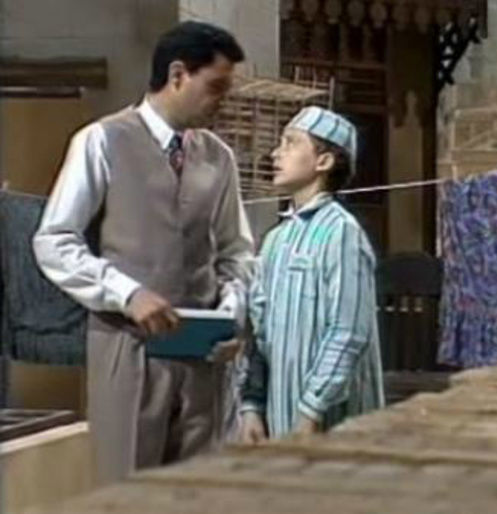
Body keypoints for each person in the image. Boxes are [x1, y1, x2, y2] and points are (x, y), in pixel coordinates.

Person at [33, 21, 254, 483]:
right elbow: (54, 240)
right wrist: (126, 293)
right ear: (178, 75)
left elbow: (236, 252)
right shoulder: (102, 140)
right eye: (215, 87)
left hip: (204, 361)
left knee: (199, 493)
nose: (223, 101)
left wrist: (232, 311)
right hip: (128, 351)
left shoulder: (219, 157)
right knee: (128, 489)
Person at [239, 106, 385, 442]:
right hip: (280, 413)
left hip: (332, 419)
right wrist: (252, 404)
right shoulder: (275, 240)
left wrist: (312, 407)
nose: (276, 153)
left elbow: (349, 331)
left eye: (290, 142)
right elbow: (259, 331)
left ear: (324, 161)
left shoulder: (341, 232)